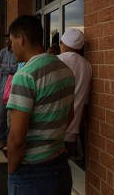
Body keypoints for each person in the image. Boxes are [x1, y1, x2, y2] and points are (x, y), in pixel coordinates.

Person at [6, 15, 75, 195]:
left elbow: (17, 140)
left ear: (21, 39)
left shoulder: (25, 75)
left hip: (32, 174)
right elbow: (70, 116)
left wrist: (12, 170)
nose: (11, 47)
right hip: (61, 166)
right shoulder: (65, 70)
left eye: (11, 41)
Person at [57, 27, 92, 157]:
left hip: (55, 129)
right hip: (73, 129)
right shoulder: (87, 65)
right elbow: (84, 102)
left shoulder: (57, 60)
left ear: (62, 43)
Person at [0, 34, 18, 150]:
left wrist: (5, 67)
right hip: (3, 89)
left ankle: (10, 142)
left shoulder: (18, 52)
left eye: (8, 39)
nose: (6, 41)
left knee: (13, 117)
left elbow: (18, 68)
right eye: (5, 40)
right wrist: (10, 68)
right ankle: (2, 141)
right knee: (1, 117)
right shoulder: (2, 52)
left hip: (14, 90)